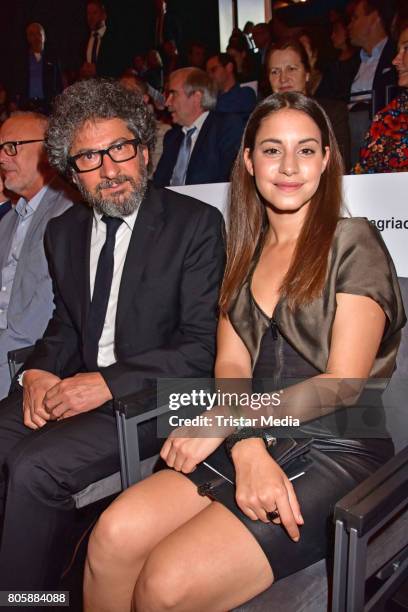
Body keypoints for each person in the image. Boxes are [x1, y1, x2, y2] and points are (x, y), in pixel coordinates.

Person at [83, 92, 406, 611]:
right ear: (250, 161)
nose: (289, 166)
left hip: (337, 443)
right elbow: (232, 365)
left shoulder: (353, 241)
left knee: (166, 584)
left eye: (306, 150)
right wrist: (246, 442)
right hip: (250, 428)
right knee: (112, 536)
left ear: (326, 160)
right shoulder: (244, 251)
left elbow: (344, 383)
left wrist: (232, 425)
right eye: (272, 150)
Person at [0, 79, 225, 590]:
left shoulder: (195, 225)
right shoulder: (66, 231)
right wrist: (36, 372)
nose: (108, 169)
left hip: (154, 396)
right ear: (71, 171)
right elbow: (67, 324)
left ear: (144, 152)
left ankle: (26, 600)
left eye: (119, 149)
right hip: (75, 384)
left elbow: (200, 349)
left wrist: (106, 384)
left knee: (34, 467)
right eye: (88, 158)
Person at [0, 112, 76, 400]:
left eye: (12, 147)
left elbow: (39, 325)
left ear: (48, 150)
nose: (2, 158)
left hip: (25, 361)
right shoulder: (8, 221)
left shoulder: (70, 213)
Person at [266, 39, 351, 170]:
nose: (283, 79)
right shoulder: (262, 120)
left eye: (291, 69)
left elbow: (339, 166)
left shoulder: (333, 113)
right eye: (275, 72)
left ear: (307, 74)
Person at [154, 67, 244, 187]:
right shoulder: (171, 137)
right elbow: (158, 185)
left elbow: (231, 181)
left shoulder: (226, 127)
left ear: (197, 97)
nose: (167, 103)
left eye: (173, 94)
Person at [353, 22, 408, 173]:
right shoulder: (388, 119)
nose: (395, 60)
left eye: (406, 48)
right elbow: (363, 175)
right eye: (398, 50)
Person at [347, 0, 398, 164]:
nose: (350, 25)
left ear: (374, 18)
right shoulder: (349, 64)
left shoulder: (396, 57)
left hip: (383, 137)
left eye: (355, 18)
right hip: (348, 136)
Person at [9, 22, 62, 115]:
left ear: (44, 36)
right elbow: (14, 82)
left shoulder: (53, 59)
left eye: (39, 33)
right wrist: (13, 101)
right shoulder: (21, 60)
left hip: (48, 107)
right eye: (32, 34)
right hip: (26, 106)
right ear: (28, 38)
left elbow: (59, 83)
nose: (36, 37)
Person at [206, 52, 256, 121]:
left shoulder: (245, 93)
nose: (210, 76)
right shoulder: (210, 97)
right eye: (208, 73)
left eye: (213, 70)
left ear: (229, 67)